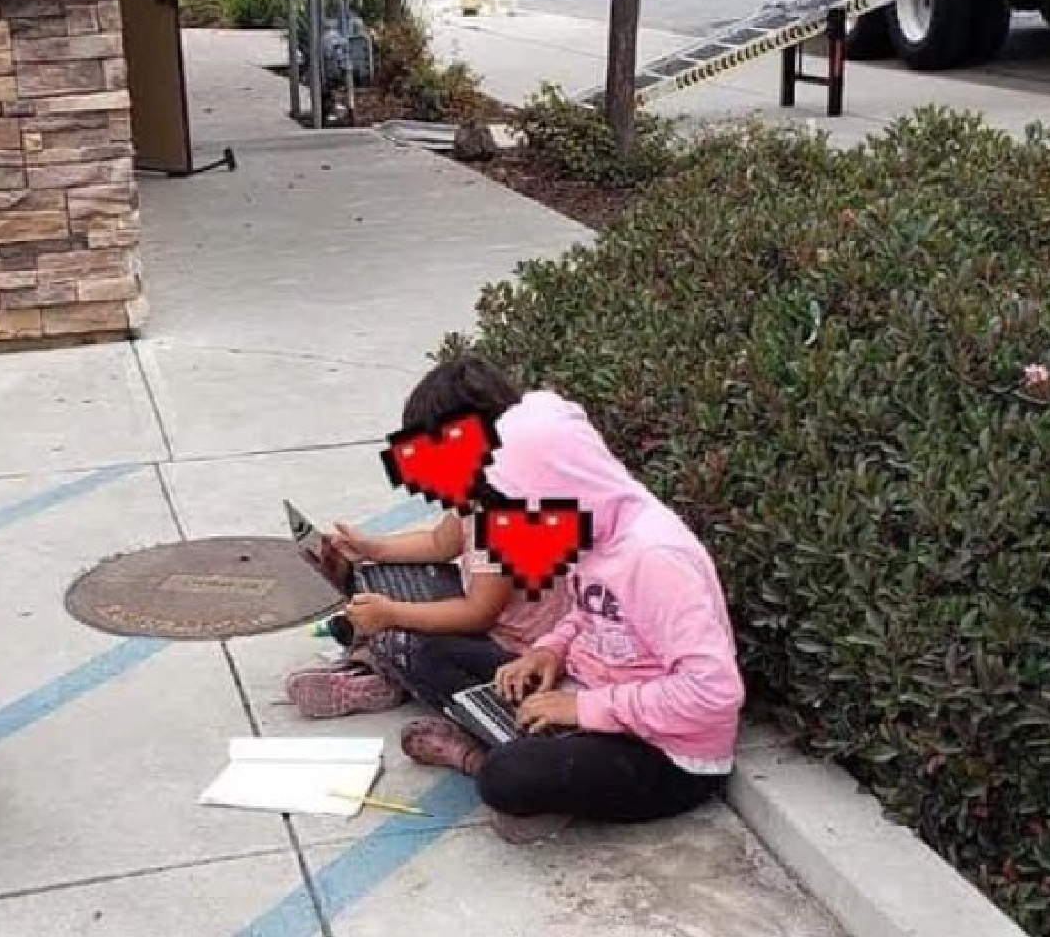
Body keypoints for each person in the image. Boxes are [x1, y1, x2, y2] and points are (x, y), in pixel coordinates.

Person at [396, 388, 746, 844]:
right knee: (428, 651)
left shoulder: (655, 556)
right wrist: (549, 651)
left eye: (518, 504)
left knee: (507, 778)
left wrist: (584, 708)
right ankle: (528, 750)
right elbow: (590, 611)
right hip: (588, 692)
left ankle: (491, 759)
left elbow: (713, 693)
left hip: (664, 753)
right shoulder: (591, 524)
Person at [284, 355, 573, 718]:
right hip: (488, 615)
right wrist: (371, 548)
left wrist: (392, 613)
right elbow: (440, 543)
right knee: (374, 576)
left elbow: (478, 614)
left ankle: (382, 677)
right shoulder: (481, 488)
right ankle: (376, 663)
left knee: (417, 648)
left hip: (517, 651)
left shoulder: (508, 515)